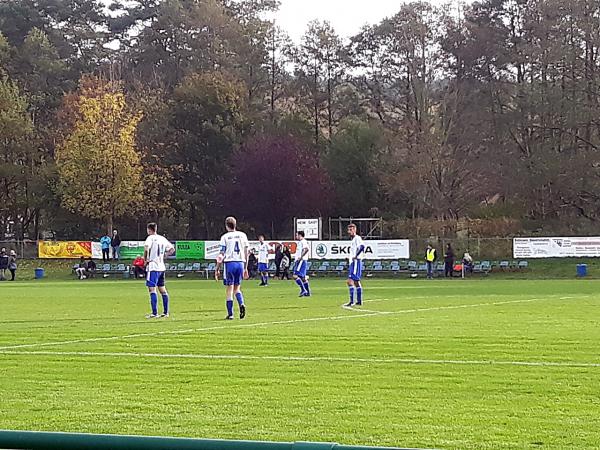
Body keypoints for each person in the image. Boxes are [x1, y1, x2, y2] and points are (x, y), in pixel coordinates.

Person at [215, 216, 248, 320]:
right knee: (237, 288)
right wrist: (246, 267)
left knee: (229, 288)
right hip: (240, 263)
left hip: (230, 263)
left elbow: (221, 255)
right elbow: (247, 252)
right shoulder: (242, 235)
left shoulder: (225, 237)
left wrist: (217, 269)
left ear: (226, 226)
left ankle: (230, 314)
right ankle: (241, 303)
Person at [144, 222, 175, 319]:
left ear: (149, 229)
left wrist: (146, 259)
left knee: (152, 289)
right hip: (161, 266)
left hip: (153, 266)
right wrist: (165, 255)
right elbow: (172, 249)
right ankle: (166, 312)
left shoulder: (150, 238)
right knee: (162, 289)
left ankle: (154, 313)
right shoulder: (162, 238)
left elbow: (146, 248)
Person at [344, 224, 365, 307]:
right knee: (356, 282)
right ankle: (359, 301)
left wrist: (356, 256)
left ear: (355, 230)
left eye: (351, 229)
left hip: (355, 262)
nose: (350, 231)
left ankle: (352, 301)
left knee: (350, 281)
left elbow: (362, 247)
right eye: (349, 230)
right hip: (354, 262)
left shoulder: (357, 238)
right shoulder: (353, 240)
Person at [293, 231, 311, 297]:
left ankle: (303, 290)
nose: (296, 236)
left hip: (301, 261)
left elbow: (306, 249)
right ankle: (308, 292)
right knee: (303, 278)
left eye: (297, 235)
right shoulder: (300, 242)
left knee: (295, 276)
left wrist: (301, 257)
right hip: (301, 260)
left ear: (300, 235)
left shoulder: (303, 241)